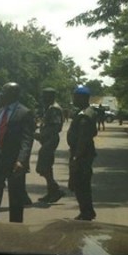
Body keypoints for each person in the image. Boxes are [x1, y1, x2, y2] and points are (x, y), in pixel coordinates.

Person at [0, 82, 35, 223]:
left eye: (4, 92)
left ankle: (15, 232)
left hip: (13, 162)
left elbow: (27, 140)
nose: (1, 94)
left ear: (13, 94)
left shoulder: (24, 112)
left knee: (16, 199)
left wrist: (21, 160)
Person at [67, 86, 98, 221]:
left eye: (75, 96)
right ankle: (87, 211)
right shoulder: (86, 112)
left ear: (83, 98)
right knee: (80, 183)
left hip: (82, 155)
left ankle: (86, 212)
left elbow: (83, 138)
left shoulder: (85, 115)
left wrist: (76, 157)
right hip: (83, 153)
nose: (74, 99)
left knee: (81, 184)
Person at [35, 87, 65, 204]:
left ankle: (55, 189)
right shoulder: (48, 108)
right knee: (46, 167)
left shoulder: (54, 109)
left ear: (51, 96)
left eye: (45, 96)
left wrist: (40, 135)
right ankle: (51, 192)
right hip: (47, 139)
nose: (42, 98)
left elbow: (56, 127)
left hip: (50, 140)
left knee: (43, 167)